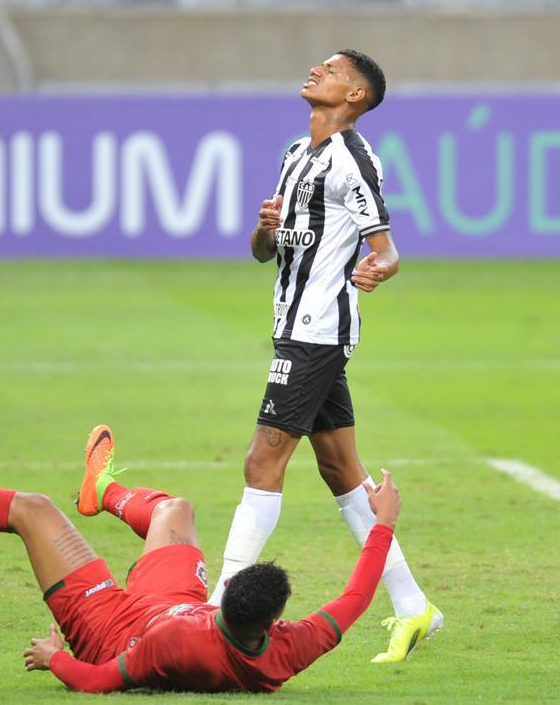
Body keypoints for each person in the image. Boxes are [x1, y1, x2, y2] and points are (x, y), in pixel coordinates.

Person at [0, 389, 402, 693]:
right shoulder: (286, 648)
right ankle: (102, 490)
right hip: (172, 604)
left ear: (224, 612)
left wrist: (54, 658)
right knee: (177, 509)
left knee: (32, 508)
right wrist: (382, 523)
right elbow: (354, 598)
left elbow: (101, 681)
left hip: (107, 624)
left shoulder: (181, 646)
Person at [207, 50, 442, 663]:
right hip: (293, 324)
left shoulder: (354, 158)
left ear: (356, 95)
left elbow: (386, 249)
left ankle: (217, 603)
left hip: (317, 330)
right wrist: (265, 229)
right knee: (341, 471)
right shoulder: (295, 154)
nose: (316, 72)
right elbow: (264, 251)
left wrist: (378, 268)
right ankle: (414, 608)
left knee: (264, 460)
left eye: (332, 70)